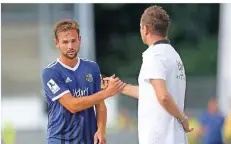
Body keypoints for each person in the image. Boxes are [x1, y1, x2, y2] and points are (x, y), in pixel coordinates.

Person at [104, 5, 193, 144]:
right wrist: (119, 86)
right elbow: (152, 93)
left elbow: (163, 97)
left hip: (159, 137)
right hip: (176, 137)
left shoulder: (154, 55)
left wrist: (183, 119)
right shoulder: (174, 55)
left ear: (146, 29)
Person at [41, 19, 125, 144]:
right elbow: (72, 105)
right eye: (65, 42)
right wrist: (107, 92)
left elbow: (100, 104)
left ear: (79, 39)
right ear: (57, 43)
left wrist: (101, 130)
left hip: (88, 139)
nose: (70, 46)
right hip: (60, 139)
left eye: (73, 41)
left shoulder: (92, 67)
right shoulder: (50, 73)